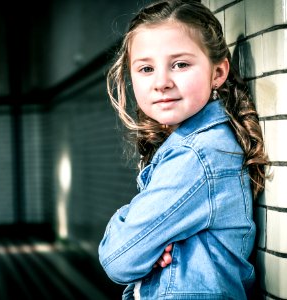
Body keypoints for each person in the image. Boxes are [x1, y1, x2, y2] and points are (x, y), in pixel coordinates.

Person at [98, 0, 268, 299]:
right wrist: (146, 241)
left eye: (180, 64)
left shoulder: (196, 155)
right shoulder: (197, 145)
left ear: (218, 73)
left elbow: (119, 260)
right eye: (146, 68)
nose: (162, 82)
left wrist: (132, 224)